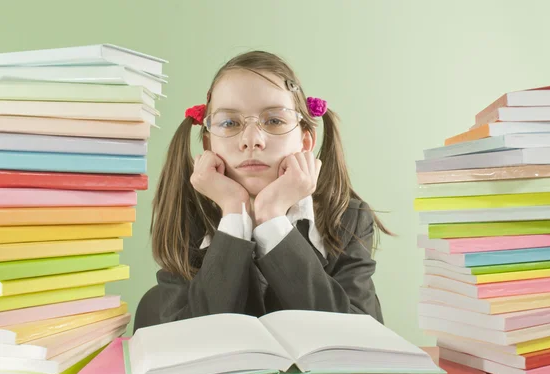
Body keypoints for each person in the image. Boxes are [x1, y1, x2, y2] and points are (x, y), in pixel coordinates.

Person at [147, 50, 393, 327]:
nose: (252, 140)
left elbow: (359, 333)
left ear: (306, 142)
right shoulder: (187, 218)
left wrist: (272, 217)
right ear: (208, 145)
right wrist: (232, 211)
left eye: (274, 120)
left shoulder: (348, 217)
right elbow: (187, 335)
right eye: (230, 123)